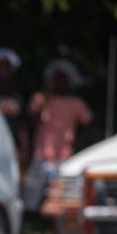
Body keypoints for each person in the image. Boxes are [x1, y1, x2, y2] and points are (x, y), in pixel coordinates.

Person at [23, 59, 93, 211]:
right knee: (32, 188)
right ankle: (30, 216)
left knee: (64, 190)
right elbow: (31, 119)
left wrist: (77, 143)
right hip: (41, 152)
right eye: (56, 79)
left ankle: (61, 218)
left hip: (64, 154)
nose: (59, 82)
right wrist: (45, 98)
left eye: (62, 79)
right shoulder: (41, 98)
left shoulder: (76, 102)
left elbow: (88, 123)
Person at [0, 47, 31, 173]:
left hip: (13, 143)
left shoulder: (17, 92)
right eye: (1, 66)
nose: (4, 70)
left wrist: (25, 147)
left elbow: (22, 122)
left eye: (7, 67)